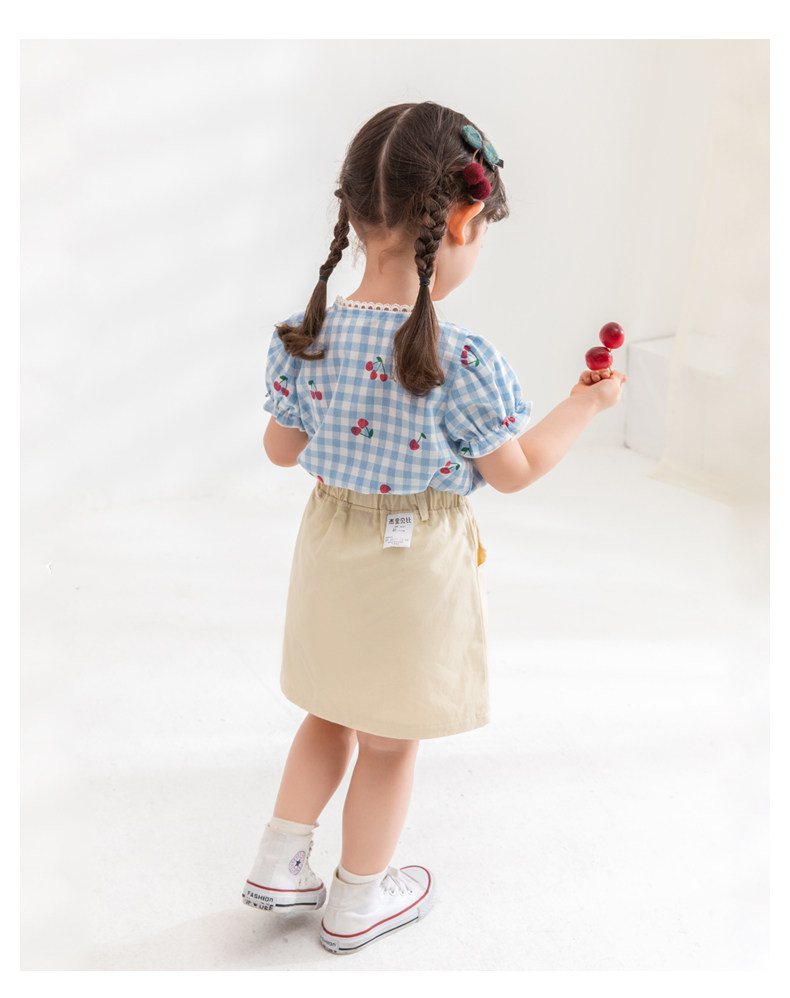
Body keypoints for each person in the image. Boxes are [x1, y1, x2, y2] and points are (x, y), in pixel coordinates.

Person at [242, 101, 626, 955]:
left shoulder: (307, 335)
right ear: (460, 220)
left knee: (327, 712)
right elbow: (514, 471)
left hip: (329, 551)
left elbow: (279, 450)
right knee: (387, 743)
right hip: (412, 566)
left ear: (352, 214)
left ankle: (280, 861)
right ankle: (356, 901)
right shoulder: (463, 358)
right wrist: (585, 405)